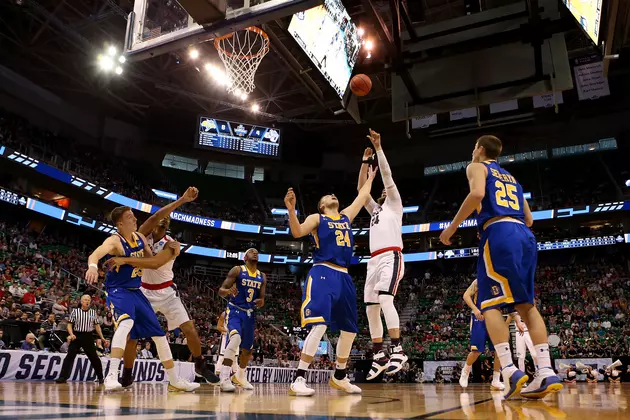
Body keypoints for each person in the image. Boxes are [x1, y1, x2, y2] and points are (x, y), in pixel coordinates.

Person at [439, 135, 562, 400]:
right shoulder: (513, 179)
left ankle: (509, 370)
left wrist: (452, 227)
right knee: (526, 305)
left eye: (474, 147)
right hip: (524, 237)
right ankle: (546, 371)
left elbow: (477, 194)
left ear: (481, 150)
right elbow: (529, 219)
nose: (473, 151)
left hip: (499, 233)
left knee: (489, 303)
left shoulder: (477, 167)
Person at [106, 187, 219, 387]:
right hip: (143, 291)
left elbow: (155, 263)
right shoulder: (140, 236)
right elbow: (158, 213)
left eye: (166, 221)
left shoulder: (172, 245)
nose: (162, 220)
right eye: (161, 219)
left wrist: (127, 259)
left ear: (168, 227)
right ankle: (127, 373)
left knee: (189, 329)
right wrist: (183, 200)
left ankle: (200, 364)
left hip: (167, 292)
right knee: (133, 336)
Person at [284, 164, 378, 397]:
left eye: (334, 195)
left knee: (350, 330)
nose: (333, 195)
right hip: (323, 272)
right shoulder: (318, 217)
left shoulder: (346, 216)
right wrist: (291, 210)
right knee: (320, 324)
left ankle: (340, 376)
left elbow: (363, 195)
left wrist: (368, 168)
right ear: (323, 205)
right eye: (328, 196)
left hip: (344, 275)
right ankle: (299, 378)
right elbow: (297, 232)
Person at [86, 205, 199, 392]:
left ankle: (174, 380)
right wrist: (92, 266)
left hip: (137, 291)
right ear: (120, 223)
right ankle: (112, 375)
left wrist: (173, 252)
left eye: (134, 216)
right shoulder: (115, 241)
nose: (135, 219)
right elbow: (97, 252)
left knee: (160, 336)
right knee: (126, 323)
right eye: (130, 217)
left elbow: (153, 262)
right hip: (118, 290)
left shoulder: (139, 238)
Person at [357, 130, 407, 380]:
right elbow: (361, 191)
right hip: (373, 260)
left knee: (386, 299)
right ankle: (379, 354)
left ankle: (398, 348)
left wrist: (378, 148)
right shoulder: (376, 209)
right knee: (370, 308)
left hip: (391, 256)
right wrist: (365, 164)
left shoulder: (395, 204)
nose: (387, 190)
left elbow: (386, 176)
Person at [216, 248, 267, 392]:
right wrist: (228, 291)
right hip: (234, 310)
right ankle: (224, 377)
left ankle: (240, 376)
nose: (255, 253)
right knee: (235, 339)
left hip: (250, 314)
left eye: (257, 251)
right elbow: (221, 291)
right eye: (251, 251)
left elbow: (262, 298)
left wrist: (261, 301)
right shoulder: (237, 270)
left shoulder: (262, 276)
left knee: (247, 349)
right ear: (245, 257)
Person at [458, 279, 504, 391]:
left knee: (499, 350)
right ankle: (465, 371)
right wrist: (475, 309)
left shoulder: (501, 281)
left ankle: (496, 380)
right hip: (480, 318)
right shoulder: (479, 280)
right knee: (476, 351)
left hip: (494, 318)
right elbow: (466, 296)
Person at [55, 295, 107, 384]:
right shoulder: (75, 312)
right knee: (69, 357)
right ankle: (62, 377)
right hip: (77, 335)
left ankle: (101, 377)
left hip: (88, 336)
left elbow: (97, 326)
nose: (87, 301)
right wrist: (71, 334)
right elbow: (69, 324)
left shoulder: (92, 313)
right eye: (85, 300)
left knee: (94, 358)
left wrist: (102, 337)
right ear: (82, 301)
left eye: (89, 300)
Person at [215, 310, 232, 376]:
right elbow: (218, 327)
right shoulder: (224, 313)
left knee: (233, 358)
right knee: (221, 357)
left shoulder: (238, 313)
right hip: (225, 337)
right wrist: (227, 331)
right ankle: (217, 375)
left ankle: (232, 377)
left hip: (233, 338)